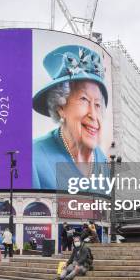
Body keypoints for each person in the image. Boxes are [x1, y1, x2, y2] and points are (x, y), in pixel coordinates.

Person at [32, 45, 109, 189]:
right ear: (60, 107)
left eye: (98, 104)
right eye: (84, 99)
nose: (93, 114)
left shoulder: (101, 159)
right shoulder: (33, 158)